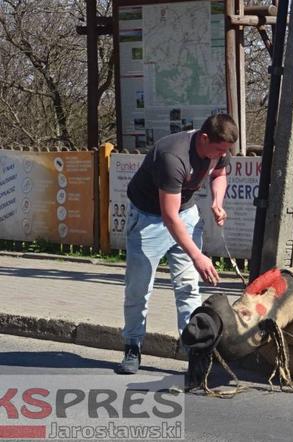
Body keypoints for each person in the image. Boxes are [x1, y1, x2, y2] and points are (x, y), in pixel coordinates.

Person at [117, 113, 237, 374]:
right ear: (204, 138)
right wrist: (197, 255)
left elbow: (219, 174)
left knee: (188, 287)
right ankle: (132, 346)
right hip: (150, 219)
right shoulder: (173, 157)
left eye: (225, 151)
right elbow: (169, 217)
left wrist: (217, 201)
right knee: (139, 289)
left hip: (186, 213)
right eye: (219, 149)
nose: (222, 155)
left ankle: (195, 351)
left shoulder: (218, 147)